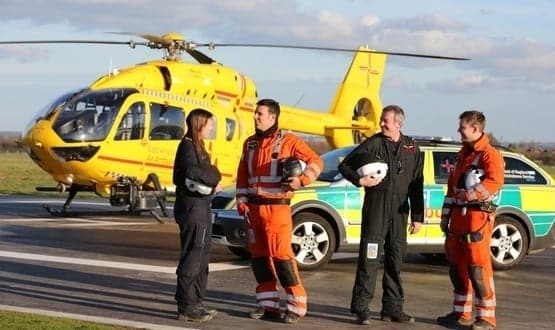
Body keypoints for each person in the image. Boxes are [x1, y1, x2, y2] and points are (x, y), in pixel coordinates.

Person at [235, 98, 323, 324]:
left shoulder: (289, 141)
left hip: (277, 210)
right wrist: (242, 200)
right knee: (260, 259)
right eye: (256, 113)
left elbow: (315, 162)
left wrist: (301, 181)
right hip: (253, 210)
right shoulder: (250, 144)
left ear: (272, 117)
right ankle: (268, 306)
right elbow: (243, 174)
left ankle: (296, 307)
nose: (255, 117)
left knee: (282, 258)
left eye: (260, 114)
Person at [338, 104, 424, 326]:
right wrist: (360, 180)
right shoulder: (373, 143)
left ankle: (393, 308)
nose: (381, 124)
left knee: (395, 259)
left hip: (399, 211)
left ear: (398, 123)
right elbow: (345, 166)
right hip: (376, 208)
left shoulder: (412, 148)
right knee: (370, 258)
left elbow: (417, 183)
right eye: (382, 120)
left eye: (386, 121)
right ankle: (361, 308)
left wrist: (417, 215)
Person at [436, 111, 504, 330]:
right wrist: (445, 217)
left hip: (477, 218)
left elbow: (494, 182)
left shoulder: (489, 155)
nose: (458, 131)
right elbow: (451, 188)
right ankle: (461, 314)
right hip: (458, 218)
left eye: (462, 127)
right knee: (457, 268)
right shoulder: (462, 154)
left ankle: (486, 319)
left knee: (478, 268)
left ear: (475, 129)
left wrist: (469, 195)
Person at [172, 108, 222, 323]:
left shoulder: (197, 146)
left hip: (202, 206)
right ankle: (186, 305)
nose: (212, 128)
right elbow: (193, 172)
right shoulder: (187, 147)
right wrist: (214, 176)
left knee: (202, 256)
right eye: (210, 124)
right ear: (199, 124)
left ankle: (196, 300)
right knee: (193, 254)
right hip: (193, 208)